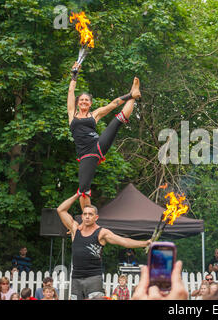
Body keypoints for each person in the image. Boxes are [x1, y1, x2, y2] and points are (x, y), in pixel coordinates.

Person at [67, 62, 141, 211]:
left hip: (98, 145)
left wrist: (129, 96)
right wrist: (74, 75)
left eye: (86, 100)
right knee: (83, 190)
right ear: (77, 103)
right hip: (85, 154)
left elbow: (113, 104)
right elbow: (70, 92)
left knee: (118, 120)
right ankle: (86, 219)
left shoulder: (95, 114)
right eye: (81, 100)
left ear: (90, 103)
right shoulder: (72, 114)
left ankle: (134, 94)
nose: (83, 101)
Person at [56, 193, 151, 300]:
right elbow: (61, 210)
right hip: (76, 278)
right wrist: (77, 195)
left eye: (90, 214)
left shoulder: (102, 233)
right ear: (82, 216)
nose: (87, 216)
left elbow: (123, 241)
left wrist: (144, 243)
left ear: (96, 217)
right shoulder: (75, 229)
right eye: (85, 214)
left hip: (94, 278)